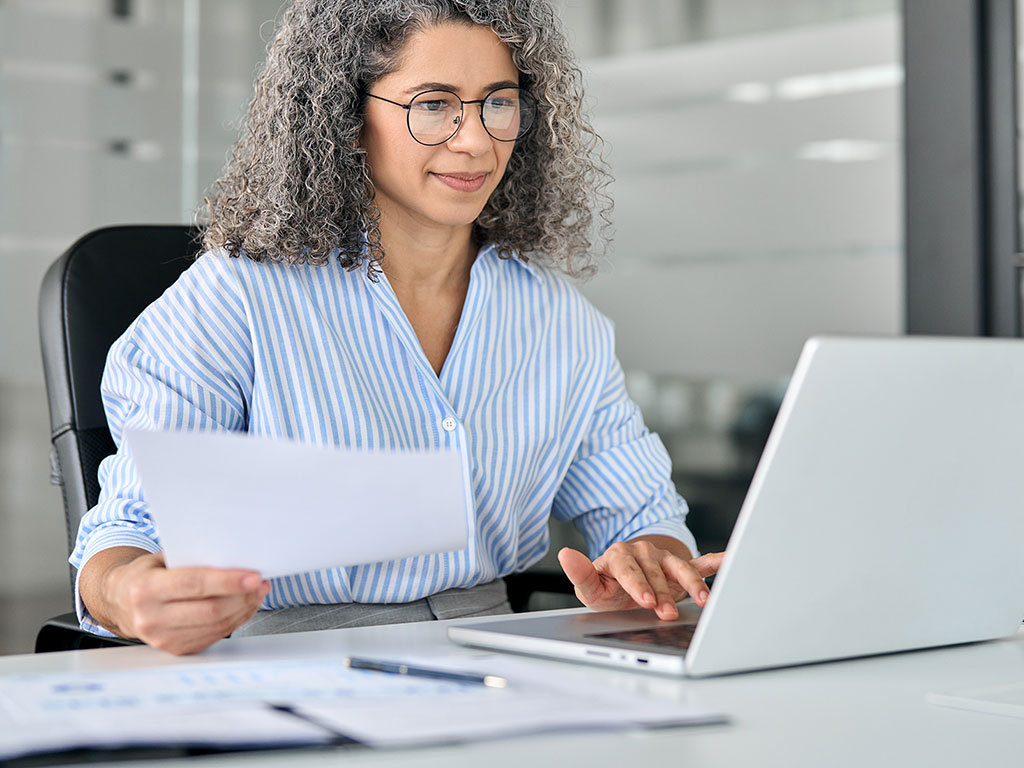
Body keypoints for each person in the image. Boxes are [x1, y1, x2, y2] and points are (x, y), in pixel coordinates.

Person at [71, 0, 723, 655]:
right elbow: (125, 536)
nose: (474, 140)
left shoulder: (557, 320)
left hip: (499, 660)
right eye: (434, 104)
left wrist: (652, 561)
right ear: (348, 121)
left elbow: (644, 519)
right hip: (289, 665)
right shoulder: (235, 298)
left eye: (498, 102)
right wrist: (131, 595)